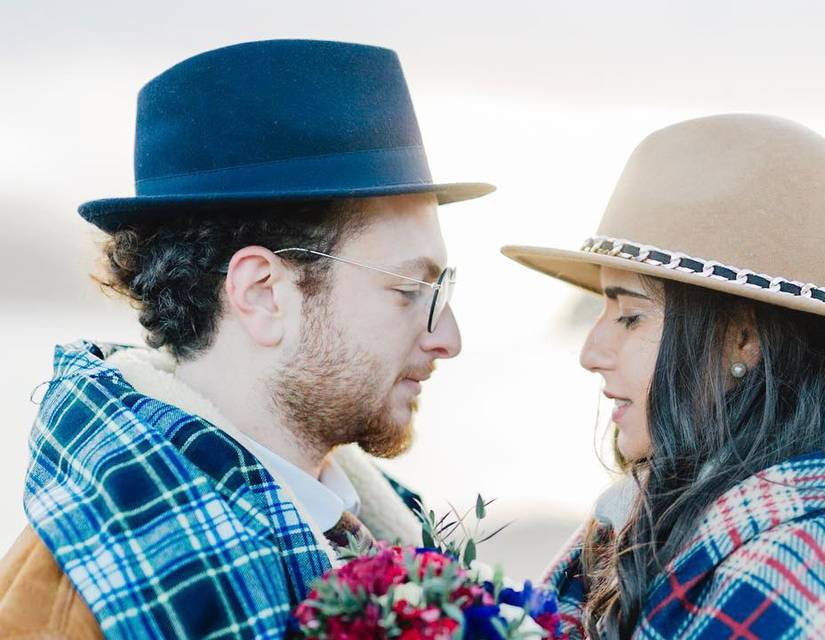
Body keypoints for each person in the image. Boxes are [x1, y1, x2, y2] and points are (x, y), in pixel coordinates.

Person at [0, 39, 493, 638]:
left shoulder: (385, 529)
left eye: (442, 288)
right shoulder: (84, 599)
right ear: (262, 292)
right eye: (409, 290)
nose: (449, 338)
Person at [502, 114, 825, 639]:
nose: (591, 352)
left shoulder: (800, 582)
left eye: (630, 315)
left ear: (744, 338)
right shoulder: (673, 513)